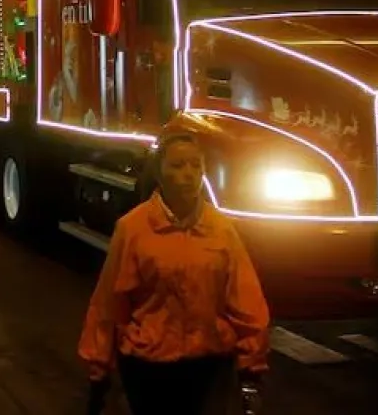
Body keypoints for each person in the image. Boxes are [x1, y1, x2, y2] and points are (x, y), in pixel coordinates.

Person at [79, 132, 271, 415]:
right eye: (178, 166)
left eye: (196, 165)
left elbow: (246, 301)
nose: (189, 174)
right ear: (159, 173)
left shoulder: (221, 230)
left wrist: (251, 370)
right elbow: (109, 303)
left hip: (207, 365)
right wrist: (99, 370)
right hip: (148, 367)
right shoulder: (133, 229)